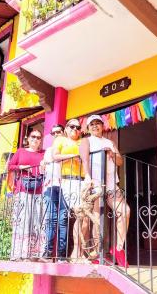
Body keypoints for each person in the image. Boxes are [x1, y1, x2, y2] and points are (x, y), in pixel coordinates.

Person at [80, 114, 130, 267]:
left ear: (103, 126)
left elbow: (120, 161)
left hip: (111, 184)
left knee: (125, 211)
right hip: (95, 184)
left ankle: (118, 248)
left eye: (98, 123)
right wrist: (88, 177)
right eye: (92, 124)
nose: (95, 126)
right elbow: (85, 160)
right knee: (97, 219)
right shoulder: (86, 140)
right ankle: (96, 253)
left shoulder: (109, 142)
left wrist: (112, 154)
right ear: (88, 128)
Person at [52, 119, 88, 261]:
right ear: (66, 129)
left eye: (78, 127)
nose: (75, 129)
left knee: (84, 217)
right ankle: (75, 253)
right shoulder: (61, 140)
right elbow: (55, 156)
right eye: (71, 126)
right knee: (79, 213)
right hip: (68, 180)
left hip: (82, 180)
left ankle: (79, 251)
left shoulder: (83, 142)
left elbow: (87, 159)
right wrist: (73, 156)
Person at [8, 129, 44, 260]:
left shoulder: (43, 154)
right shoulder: (21, 151)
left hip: (38, 190)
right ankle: (18, 253)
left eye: (38, 137)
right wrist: (22, 167)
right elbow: (11, 166)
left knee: (36, 220)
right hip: (22, 189)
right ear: (28, 139)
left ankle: (32, 253)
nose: (35, 139)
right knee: (22, 220)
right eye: (33, 137)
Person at [40, 124, 68, 261]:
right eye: (54, 132)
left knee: (63, 220)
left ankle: (62, 255)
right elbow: (43, 168)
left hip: (65, 187)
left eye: (59, 132)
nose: (56, 134)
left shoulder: (68, 147)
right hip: (51, 187)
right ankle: (48, 252)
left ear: (63, 133)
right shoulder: (49, 150)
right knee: (51, 219)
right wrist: (42, 165)